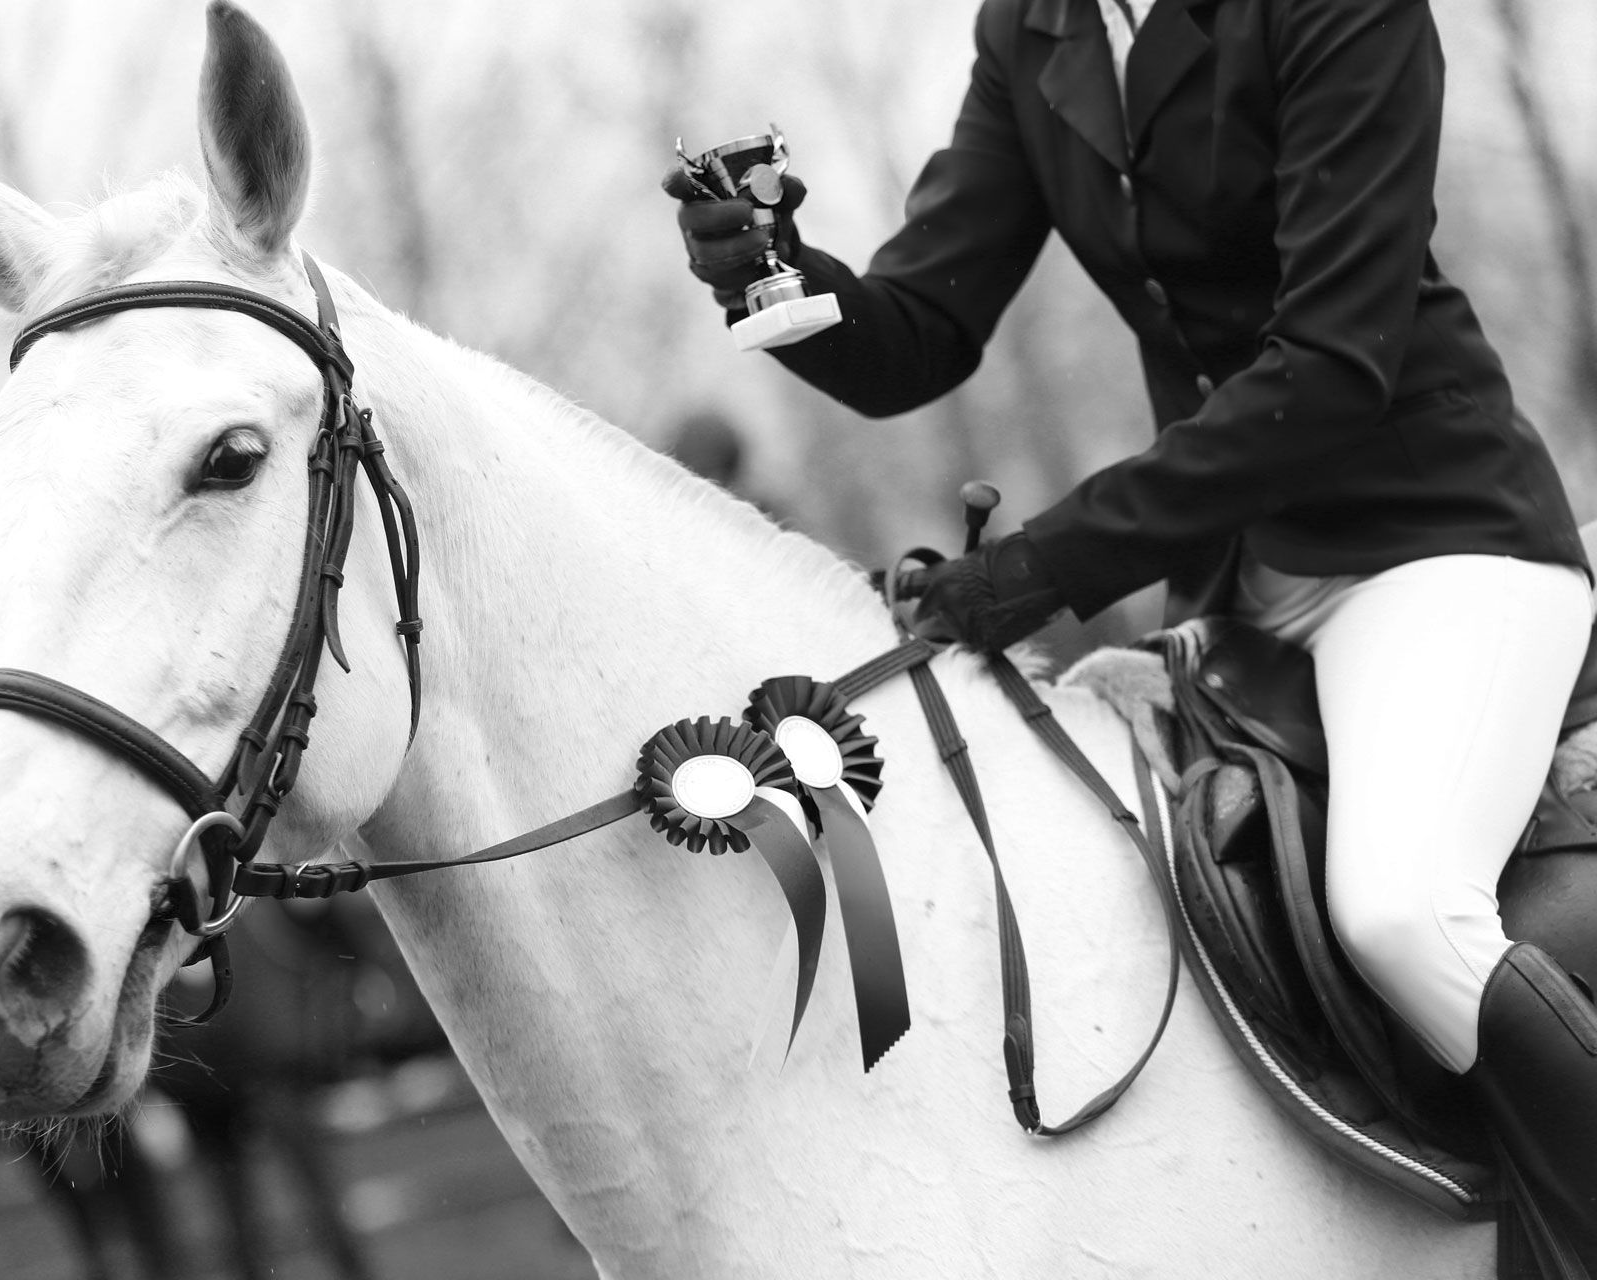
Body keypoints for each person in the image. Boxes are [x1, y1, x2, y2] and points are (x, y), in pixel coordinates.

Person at [666, 0, 1597, 1257]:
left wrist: (1045, 566)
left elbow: (1329, 363)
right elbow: (921, 335)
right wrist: (770, 282)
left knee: (1401, 908)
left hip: (1436, 544)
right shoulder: (1033, 31)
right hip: (1235, 583)